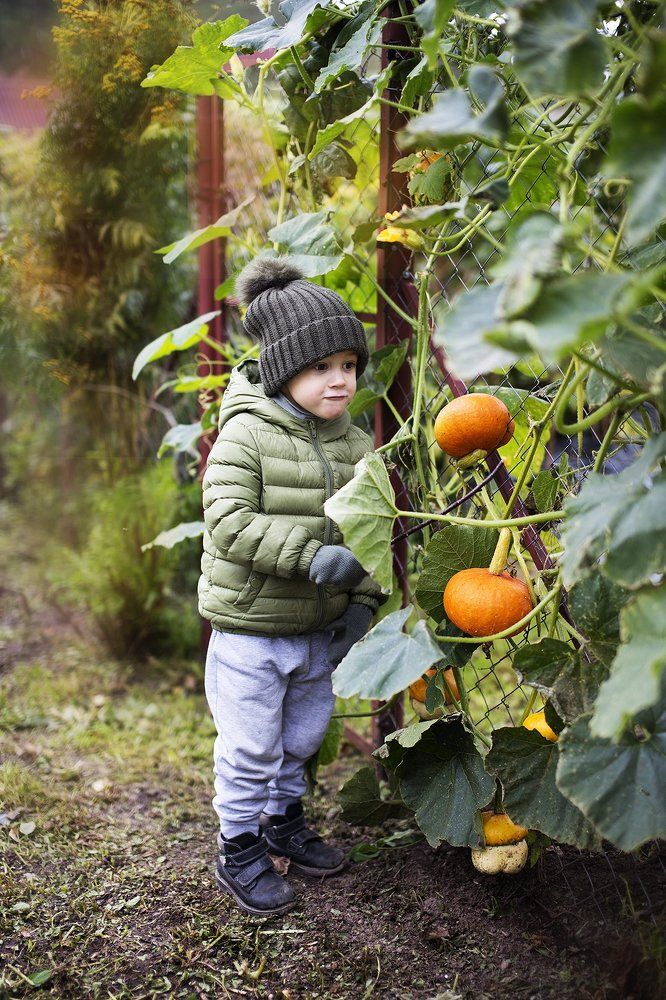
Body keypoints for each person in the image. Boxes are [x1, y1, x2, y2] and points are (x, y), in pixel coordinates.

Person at [198, 255, 388, 917]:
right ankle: (239, 845)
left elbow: (374, 537)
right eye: (321, 367)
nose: (340, 381)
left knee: (301, 739)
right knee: (251, 746)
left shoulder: (356, 445)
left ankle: (283, 822)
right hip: (251, 631)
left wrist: (362, 603)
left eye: (349, 366)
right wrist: (310, 558)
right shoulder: (244, 436)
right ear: (283, 368)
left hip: (316, 632)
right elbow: (228, 521)